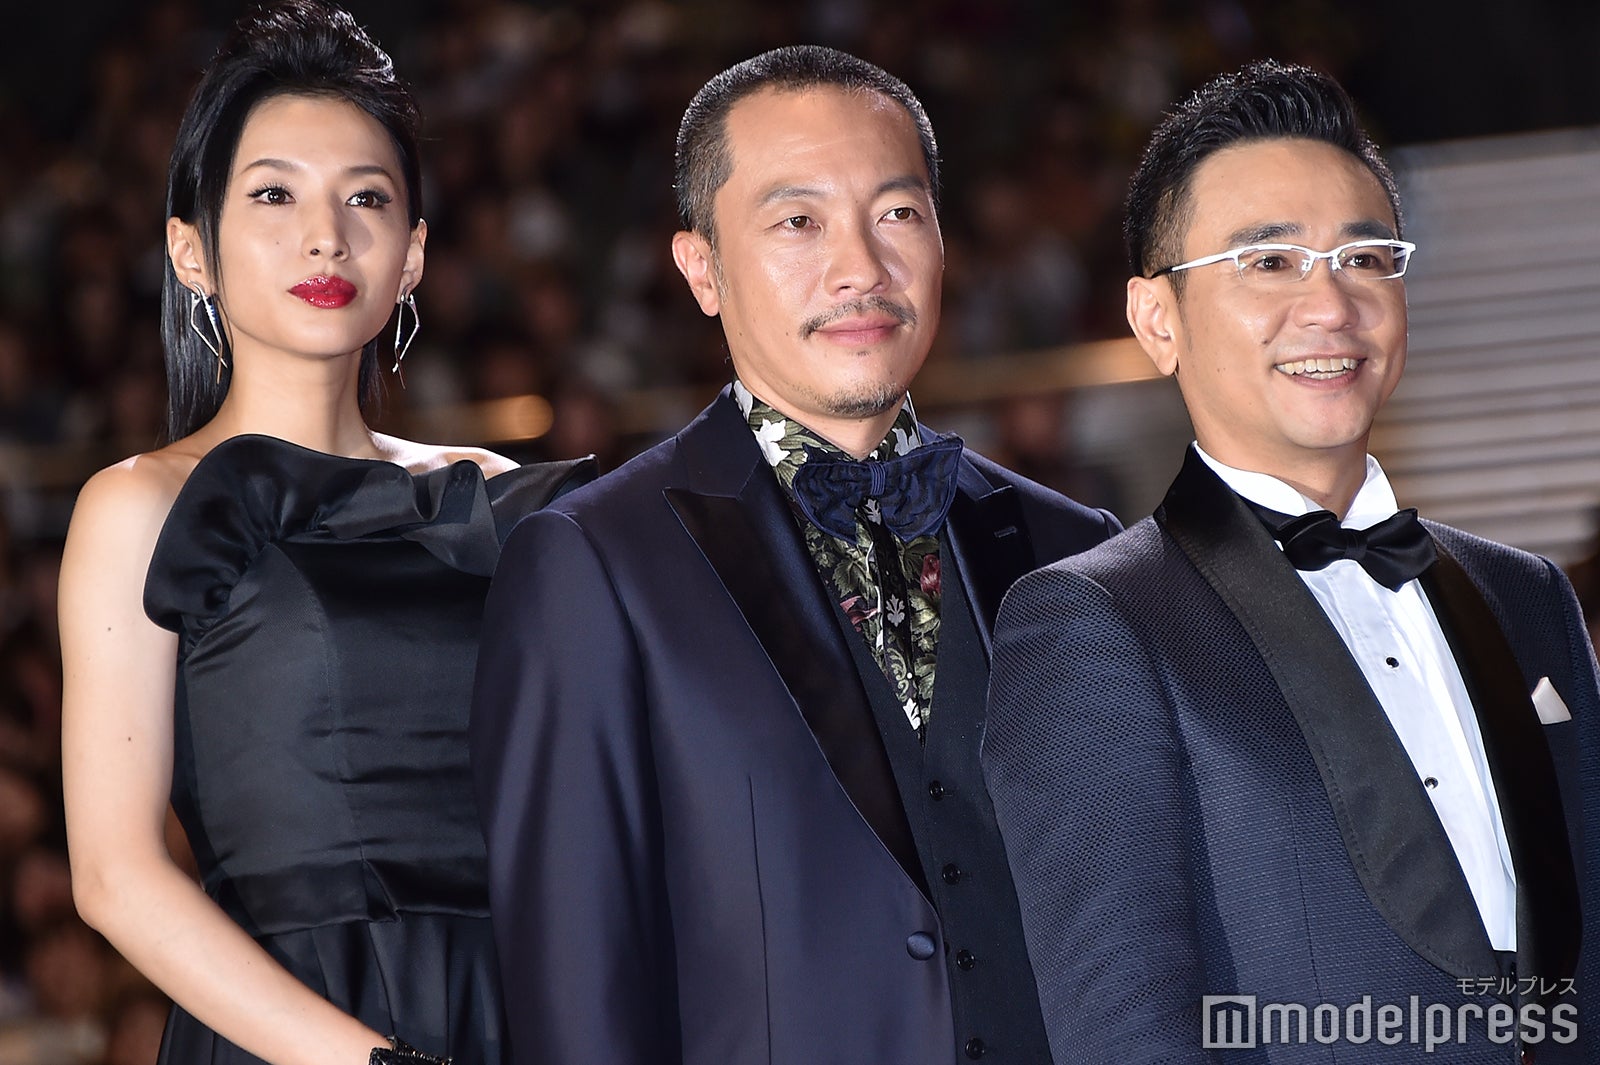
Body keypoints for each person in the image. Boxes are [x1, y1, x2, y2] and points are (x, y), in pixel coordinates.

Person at [469, 45, 1118, 1065]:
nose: (861, 268)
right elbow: (574, 995)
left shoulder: (1075, 549)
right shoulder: (595, 564)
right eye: (798, 222)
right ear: (702, 269)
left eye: (896, 213)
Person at [982, 60, 1598, 1063]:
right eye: (1269, 262)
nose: (1330, 304)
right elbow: (1126, 1029)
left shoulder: (1526, 596)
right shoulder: (1094, 623)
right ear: (1157, 320)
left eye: (1365, 257)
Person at [57, 4, 592, 1064]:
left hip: (522, 1013)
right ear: (191, 250)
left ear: (412, 255)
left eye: (367, 198)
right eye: (274, 194)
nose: (326, 235)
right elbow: (116, 876)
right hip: (290, 1034)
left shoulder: (497, 501)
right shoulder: (138, 507)